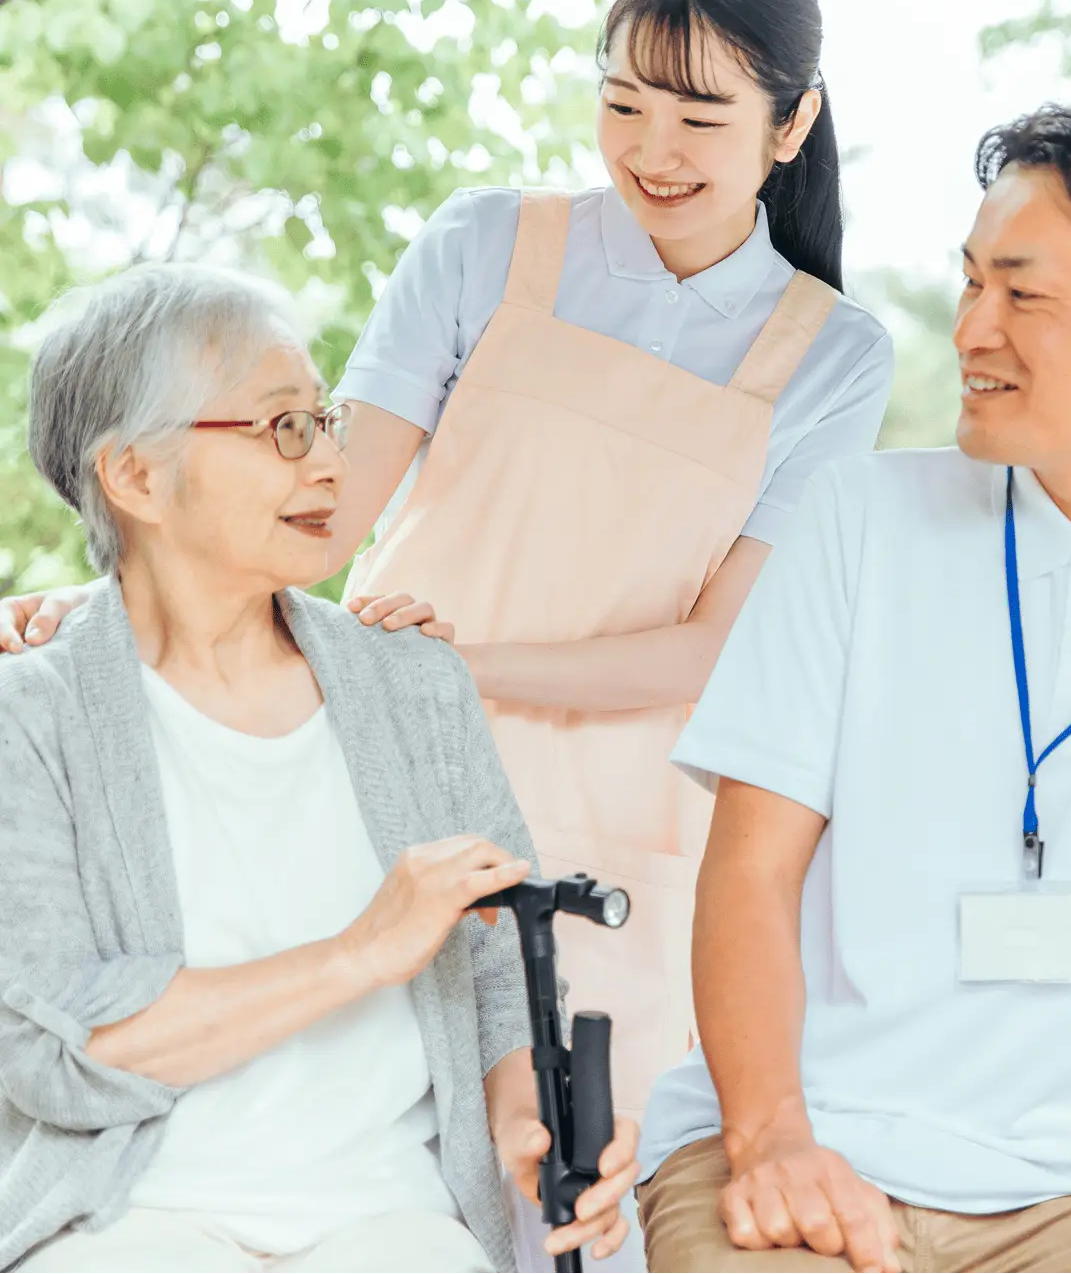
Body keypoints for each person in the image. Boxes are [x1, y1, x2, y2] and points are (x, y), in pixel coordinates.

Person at [0, 0, 893, 1139]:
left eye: (700, 118)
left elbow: (712, 647)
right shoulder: (489, 244)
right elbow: (311, 515)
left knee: (567, 1162)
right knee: (352, 1122)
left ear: (791, 126)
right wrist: (109, 606)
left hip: (626, 813)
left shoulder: (832, 353)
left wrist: (455, 668)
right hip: (377, 756)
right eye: (622, 103)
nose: (651, 151)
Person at [634, 98, 1071, 1274]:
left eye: (1022, 295)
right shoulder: (860, 519)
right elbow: (752, 870)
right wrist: (772, 1136)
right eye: (970, 282)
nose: (971, 329)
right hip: (809, 1141)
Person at [0, 264, 638, 1274]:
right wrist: (358, 952)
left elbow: (496, 970)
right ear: (134, 476)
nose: (332, 462)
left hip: (393, 1224)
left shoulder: (416, 684)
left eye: (326, 419)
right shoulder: (30, 712)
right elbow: (57, 1048)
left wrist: (531, 1127)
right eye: (282, 426)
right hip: (127, 1226)